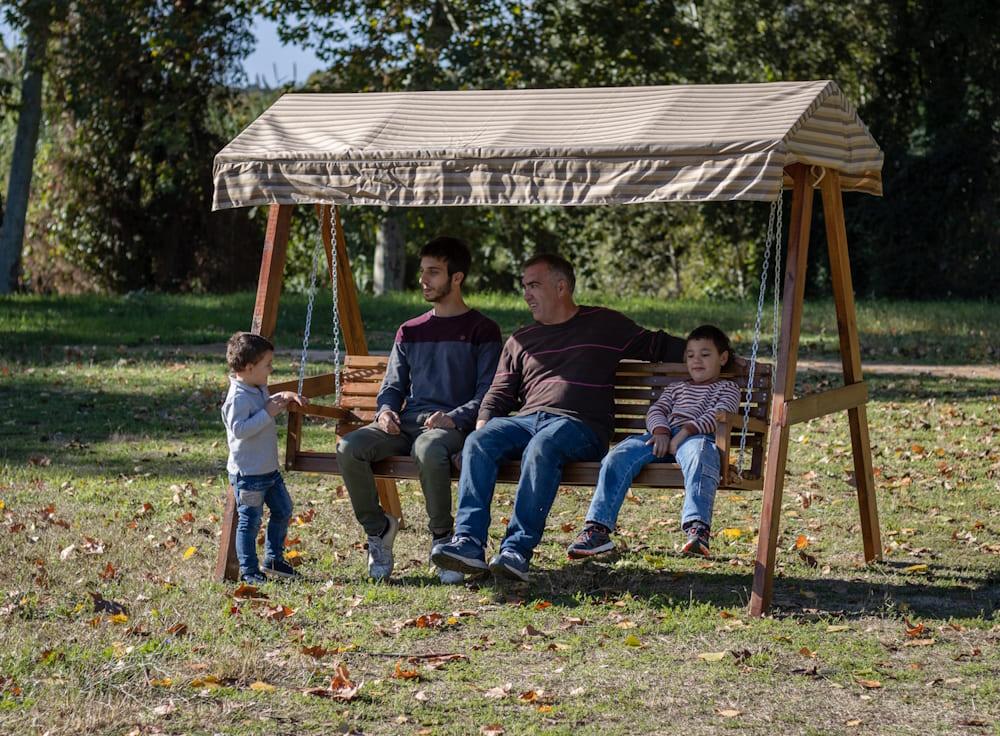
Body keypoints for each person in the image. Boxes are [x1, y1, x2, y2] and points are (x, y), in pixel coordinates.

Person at [431, 253, 686, 582]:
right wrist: (477, 438)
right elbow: (498, 396)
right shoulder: (521, 339)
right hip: (528, 420)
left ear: (561, 286)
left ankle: (516, 551)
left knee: (543, 445)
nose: (526, 294)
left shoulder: (604, 324)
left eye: (534, 285)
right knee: (481, 440)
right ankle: (468, 543)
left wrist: (722, 356)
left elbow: (659, 345)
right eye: (524, 286)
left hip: (581, 426)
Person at [336, 236, 502, 583]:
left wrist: (454, 417)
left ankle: (443, 540)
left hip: (454, 428)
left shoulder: (482, 330)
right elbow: (393, 386)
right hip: (407, 424)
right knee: (350, 447)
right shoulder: (410, 331)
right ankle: (379, 529)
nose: (423, 280)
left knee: (428, 447)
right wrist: (384, 411)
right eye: (422, 271)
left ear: (457, 278)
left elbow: (488, 393)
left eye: (433, 272)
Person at [567, 324, 741, 559]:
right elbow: (657, 410)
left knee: (702, 454)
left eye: (705, 354)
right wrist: (661, 432)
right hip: (661, 437)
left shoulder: (727, 388)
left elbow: (720, 414)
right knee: (619, 454)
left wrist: (684, 433)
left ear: (723, 358)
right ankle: (597, 529)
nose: (696, 360)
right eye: (690, 355)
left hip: (695, 438)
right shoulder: (676, 388)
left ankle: (697, 529)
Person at [221, 332, 307, 584]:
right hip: (248, 475)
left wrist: (285, 397)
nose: (271, 369)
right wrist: (269, 412)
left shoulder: (256, 387)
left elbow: (266, 405)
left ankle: (273, 559)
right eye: (267, 365)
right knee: (250, 521)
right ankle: (249, 571)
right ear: (249, 368)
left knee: (283, 509)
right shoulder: (237, 397)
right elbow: (240, 430)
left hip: (268, 470)